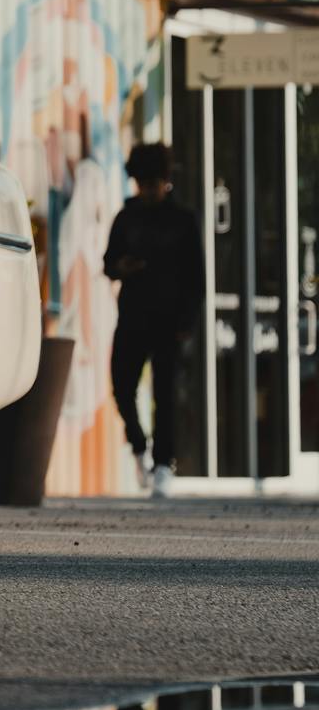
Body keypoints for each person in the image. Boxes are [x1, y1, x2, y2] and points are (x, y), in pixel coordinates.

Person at [102, 144, 204, 497]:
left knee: (166, 394)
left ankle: (163, 464)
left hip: (170, 321)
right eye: (142, 184)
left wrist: (187, 322)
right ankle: (138, 445)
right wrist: (121, 268)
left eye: (153, 184)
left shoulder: (184, 221)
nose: (147, 190)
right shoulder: (126, 217)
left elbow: (196, 277)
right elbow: (108, 262)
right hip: (132, 316)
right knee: (121, 386)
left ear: (166, 181)